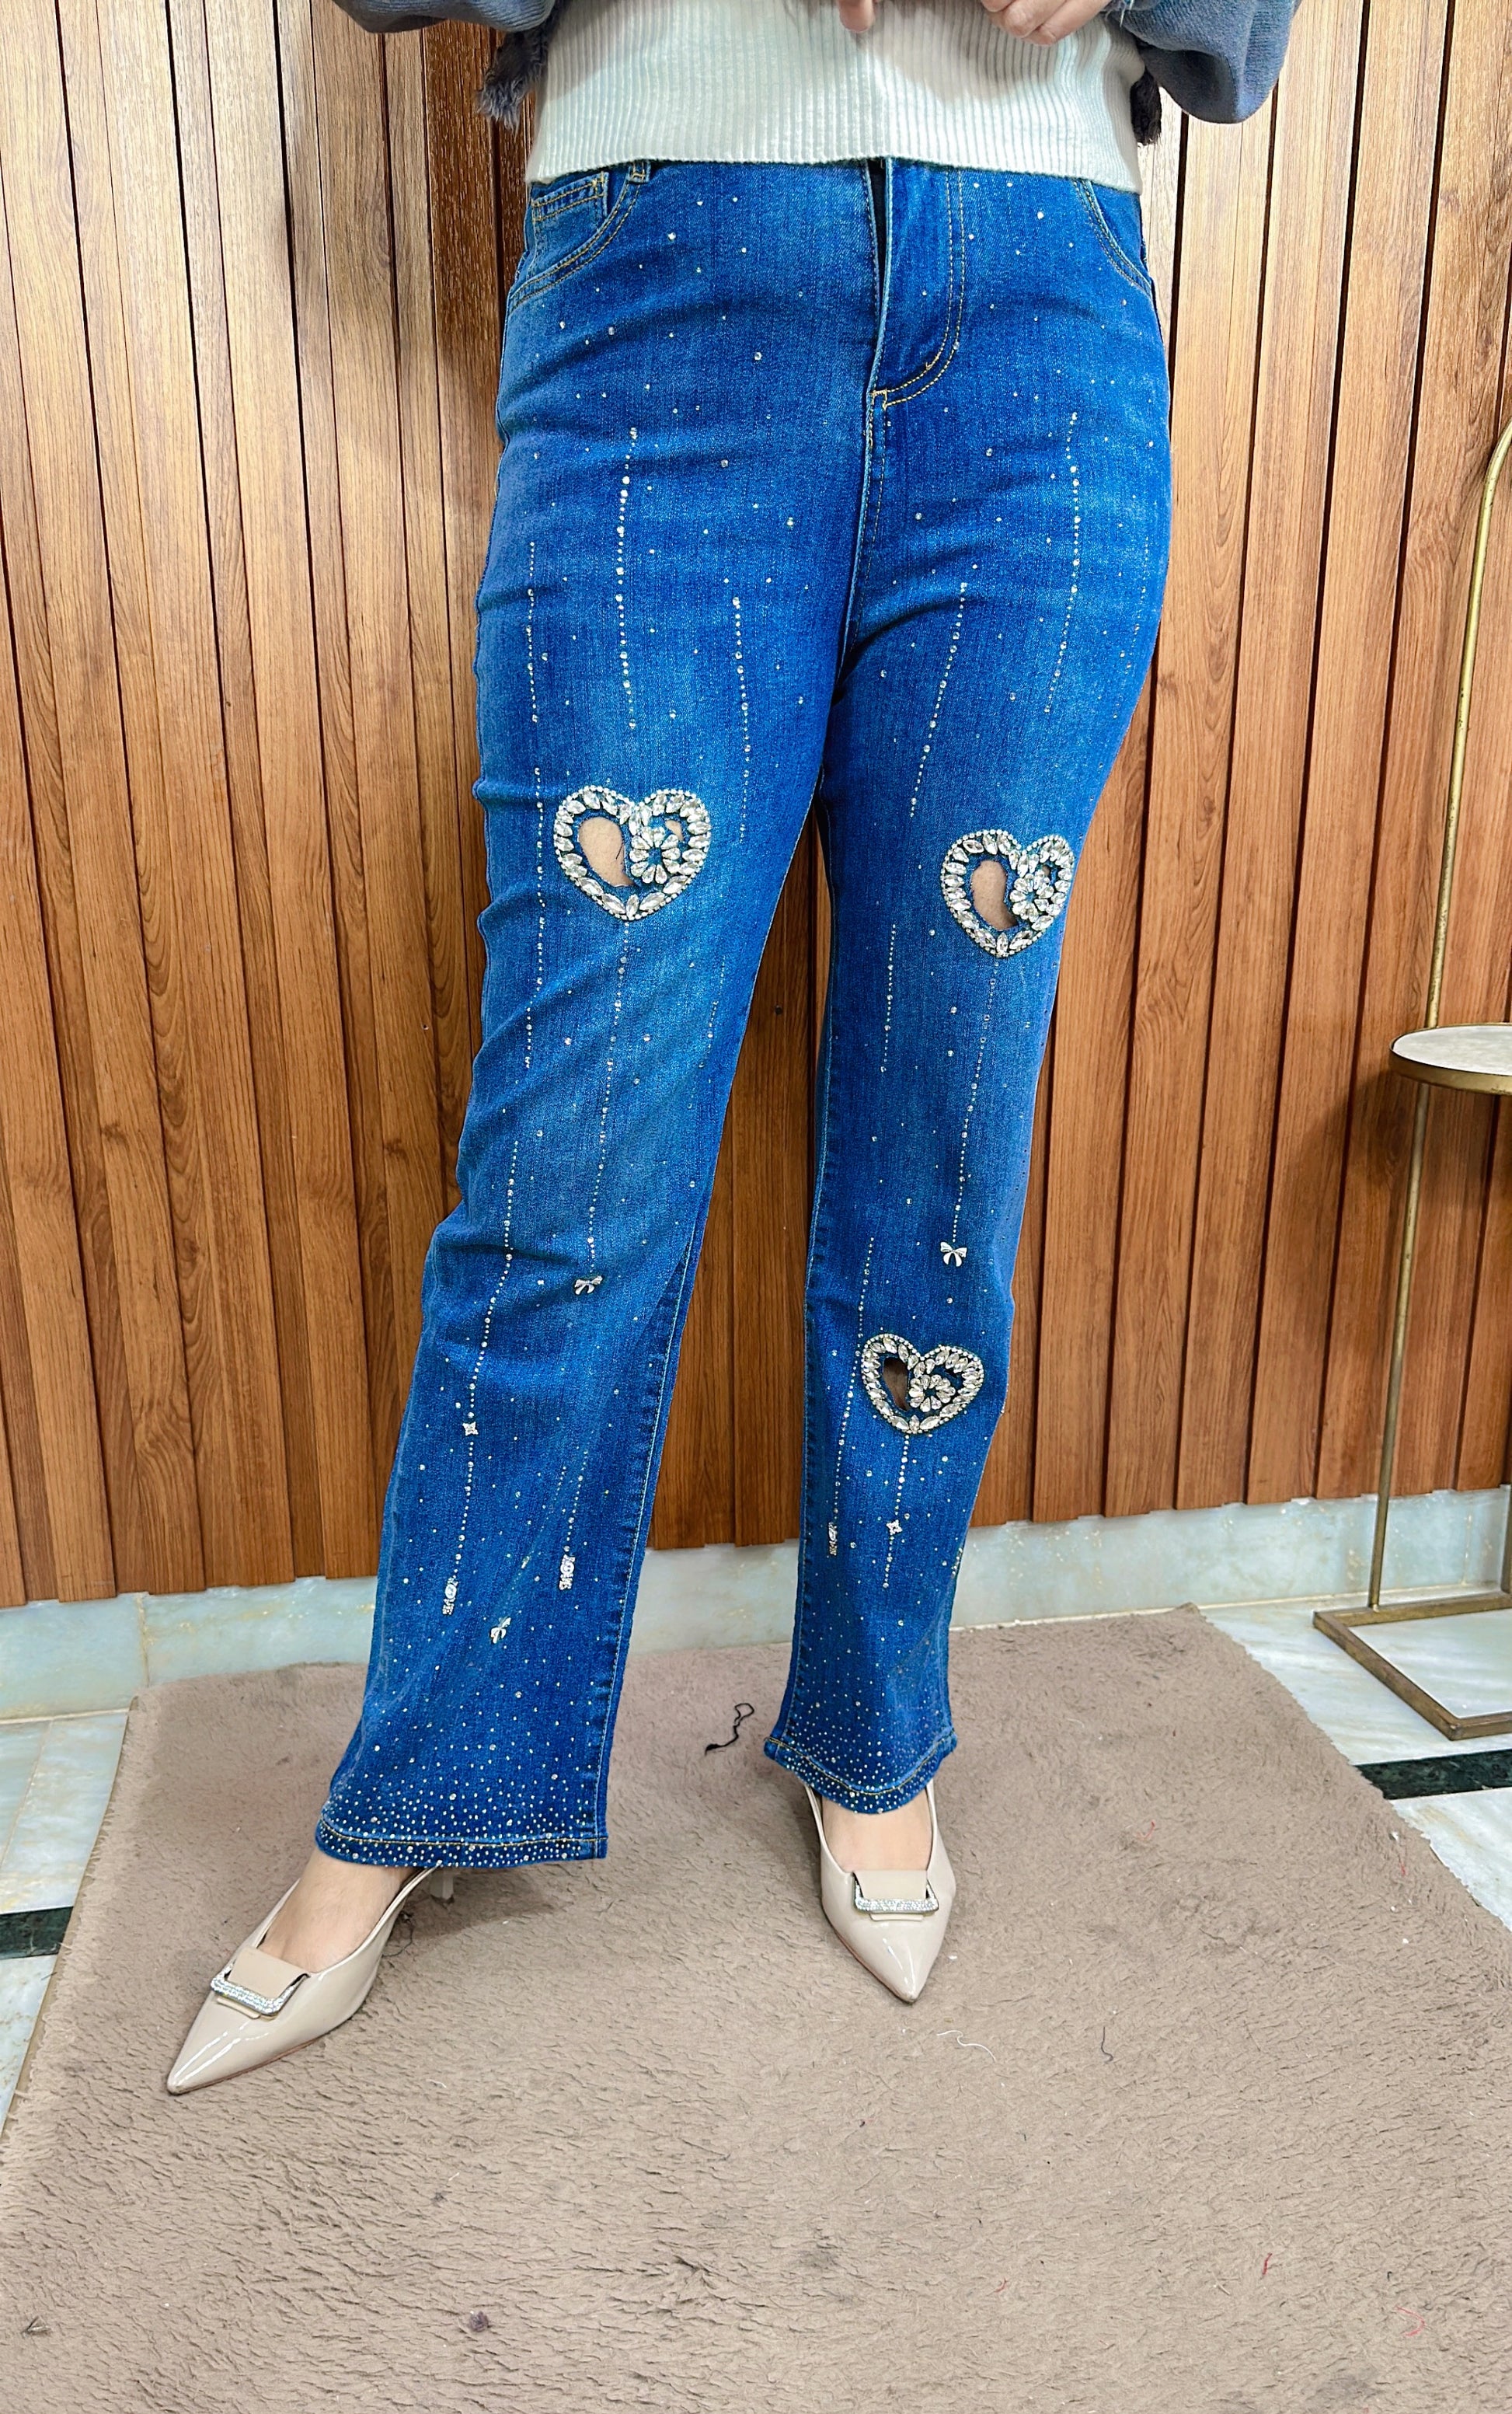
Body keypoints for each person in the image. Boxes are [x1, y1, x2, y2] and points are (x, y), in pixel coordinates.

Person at [169, 0, 1298, 2092]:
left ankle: (877, 1733)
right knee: (572, 1144)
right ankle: (424, 1782)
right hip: (664, 295)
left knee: (947, 1116)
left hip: (1038, 331)